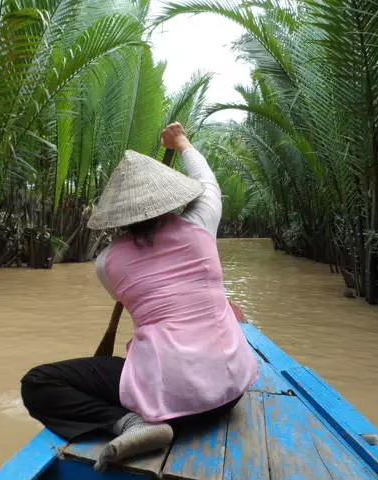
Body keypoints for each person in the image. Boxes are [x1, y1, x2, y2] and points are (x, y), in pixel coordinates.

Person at [20, 122, 259, 471]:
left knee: (37, 382)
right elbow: (208, 182)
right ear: (171, 197)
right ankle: (140, 420)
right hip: (230, 391)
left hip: (170, 402)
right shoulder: (202, 223)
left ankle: (130, 423)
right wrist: (181, 142)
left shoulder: (106, 264)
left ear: (118, 216)